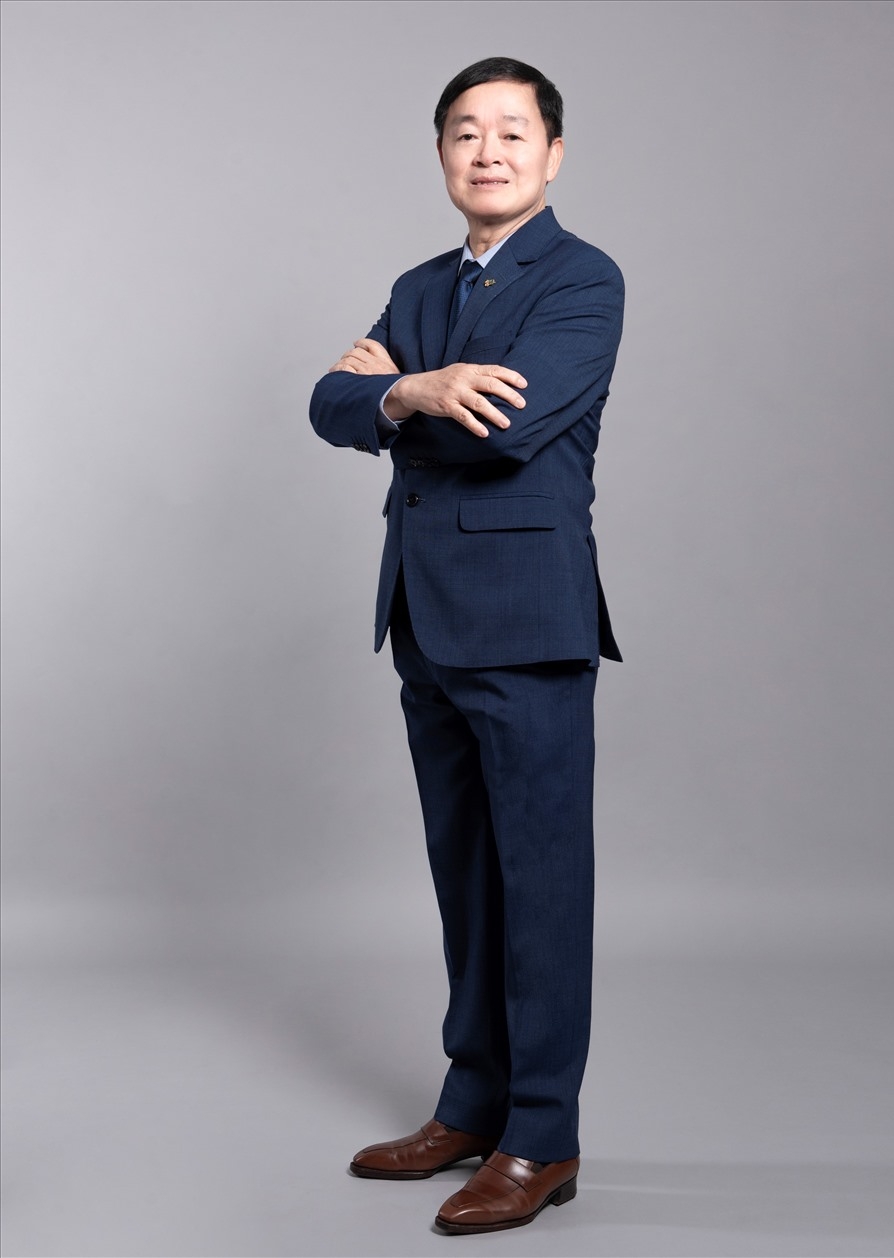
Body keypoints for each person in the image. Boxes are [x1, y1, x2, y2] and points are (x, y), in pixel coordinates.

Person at [309, 56, 624, 1236]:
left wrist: (401, 394)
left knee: (541, 882)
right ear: (442, 154)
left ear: (552, 154)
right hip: (426, 622)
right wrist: (412, 391)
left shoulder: (582, 278)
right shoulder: (418, 284)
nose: (487, 151)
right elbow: (327, 404)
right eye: (464, 133)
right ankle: (472, 1102)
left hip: (528, 623)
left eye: (511, 131)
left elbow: (507, 429)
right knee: (467, 877)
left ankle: (542, 1135)